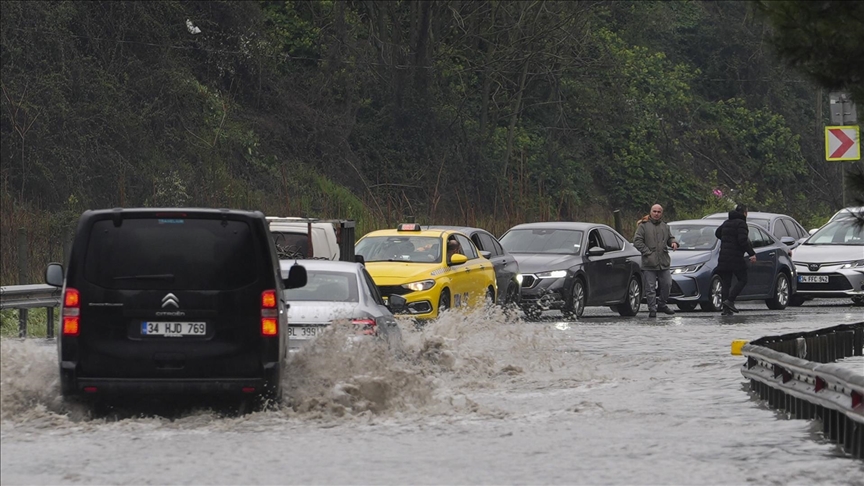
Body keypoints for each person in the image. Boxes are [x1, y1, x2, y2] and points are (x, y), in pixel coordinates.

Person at [633, 204, 679, 318]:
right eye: (654, 211)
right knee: (650, 288)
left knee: (667, 284)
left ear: (661, 213)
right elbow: (637, 241)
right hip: (649, 262)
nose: (656, 214)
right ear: (650, 212)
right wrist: (647, 252)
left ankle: (662, 304)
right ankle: (652, 309)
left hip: (663, 261)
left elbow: (670, 238)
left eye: (659, 212)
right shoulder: (643, 226)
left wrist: (673, 242)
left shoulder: (665, 226)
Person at [714, 204, 756, 316]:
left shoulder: (726, 222)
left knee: (726, 283)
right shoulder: (741, 224)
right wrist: (751, 253)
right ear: (745, 213)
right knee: (743, 279)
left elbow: (717, 233)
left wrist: (727, 238)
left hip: (723, 257)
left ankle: (725, 309)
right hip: (735, 257)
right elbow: (743, 240)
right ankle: (730, 300)